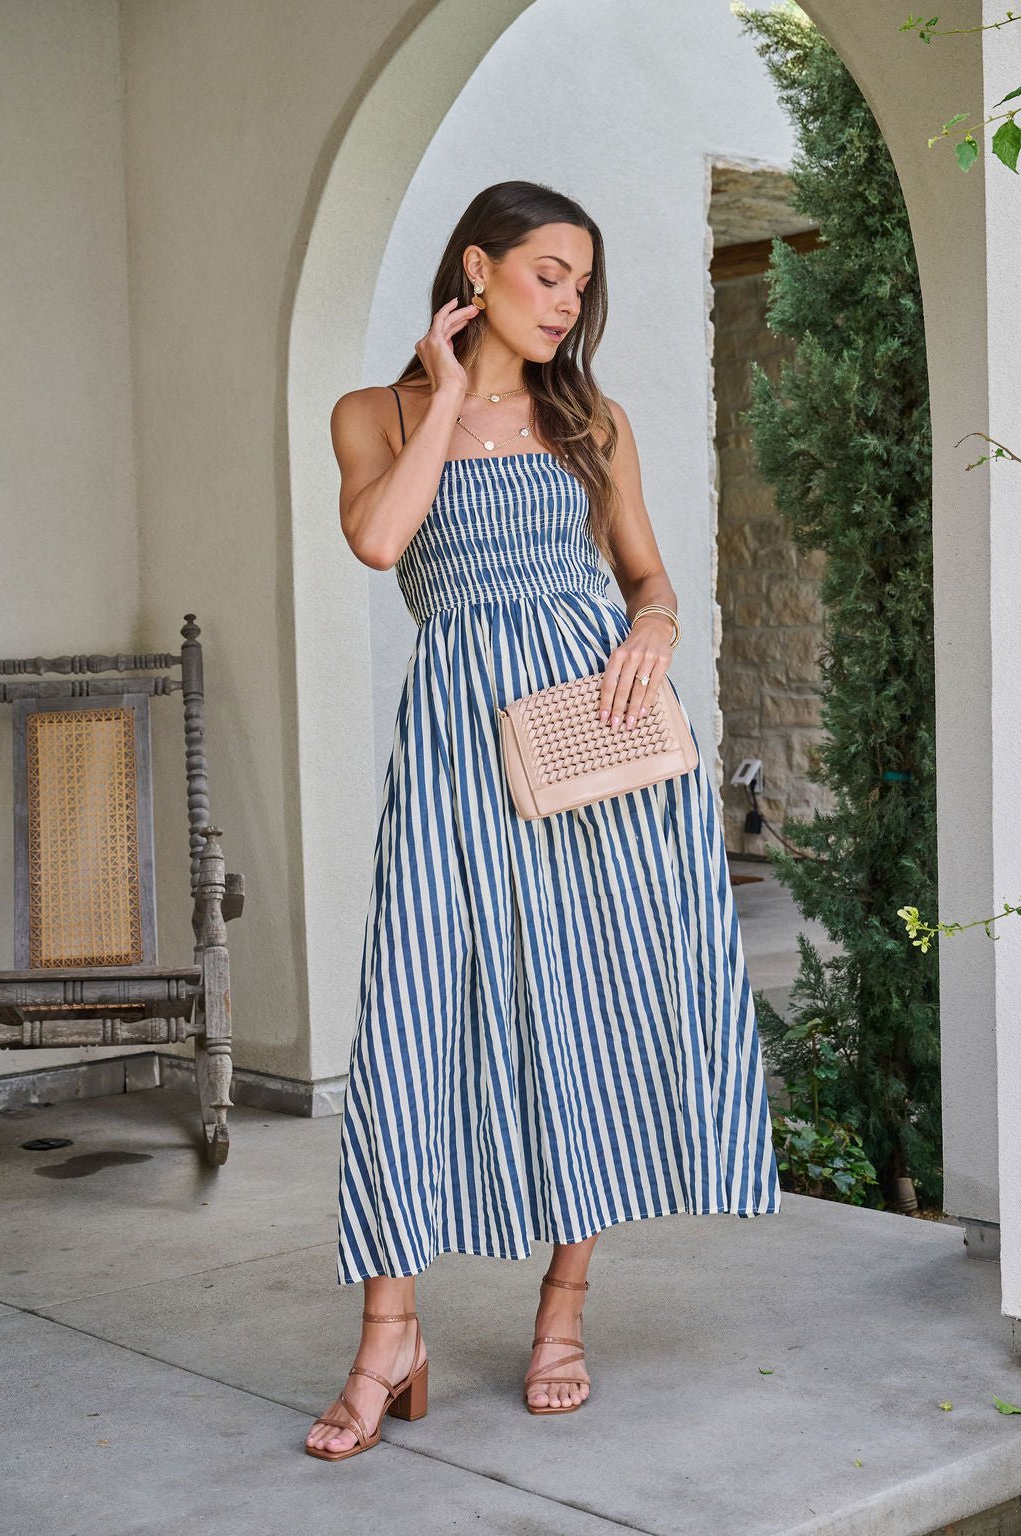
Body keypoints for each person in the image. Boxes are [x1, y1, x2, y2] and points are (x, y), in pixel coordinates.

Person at [305, 180, 781, 1462]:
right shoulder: (375, 414)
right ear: (480, 267)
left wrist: (657, 628)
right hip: (462, 753)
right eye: (550, 272)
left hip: (603, 751)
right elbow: (378, 541)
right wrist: (449, 392)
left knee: (588, 1007)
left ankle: (563, 1307)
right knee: (416, 1016)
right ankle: (387, 1337)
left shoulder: (596, 423)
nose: (570, 300)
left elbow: (648, 574)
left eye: (583, 282)